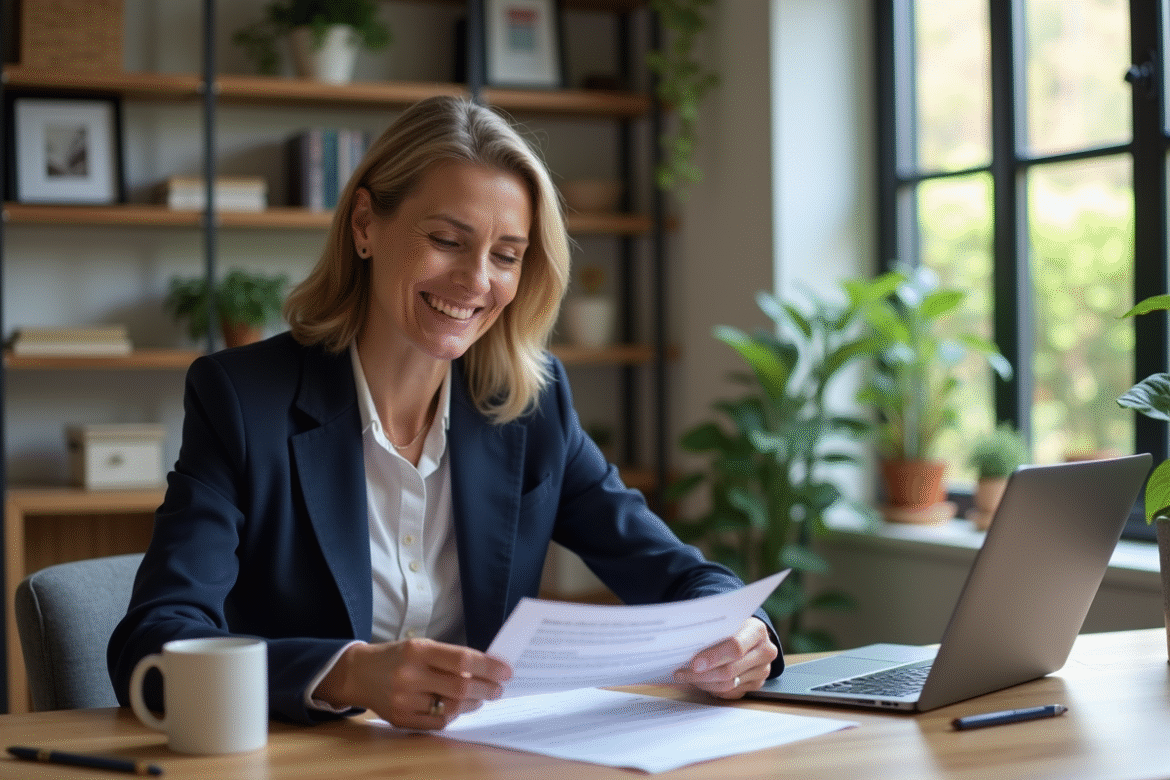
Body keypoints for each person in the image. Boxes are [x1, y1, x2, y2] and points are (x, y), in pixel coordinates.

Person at [107, 95, 783, 729]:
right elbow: (154, 646)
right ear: (366, 225)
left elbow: (679, 574)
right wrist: (349, 675)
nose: (476, 281)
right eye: (447, 240)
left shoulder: (531, 408)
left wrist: (745, 636)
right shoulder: (243, 399)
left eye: (507, 255)